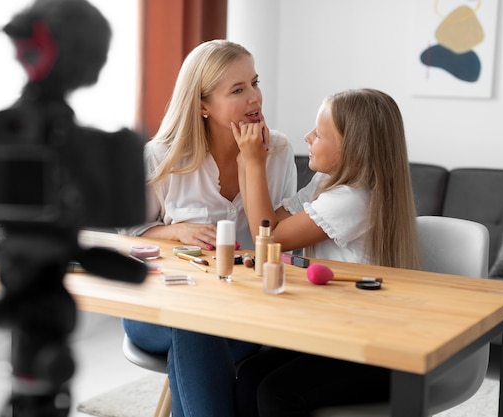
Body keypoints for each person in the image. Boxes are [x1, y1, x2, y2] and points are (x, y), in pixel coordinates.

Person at [120, 39, 298, 417]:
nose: (255, 97)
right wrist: (176, 231)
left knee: (199, 331)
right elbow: (129, 234)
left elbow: (281, 239)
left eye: (255, 82)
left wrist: (255, 163)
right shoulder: (161, 157)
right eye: (238, 89)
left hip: (242, 310)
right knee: (194, 321)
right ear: (202, 105)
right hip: (158, 309)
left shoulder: (278, 153)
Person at [232, 88, 420, 416]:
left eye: (318, 134)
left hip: (374, 348)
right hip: (335, 333)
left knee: (277, 394)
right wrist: (246, 163)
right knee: (248, 375)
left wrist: (253, 162)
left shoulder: (354, 198)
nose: (307, 137)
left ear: (352, 148)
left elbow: (270, 236)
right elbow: (273, 221)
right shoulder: (326, 182)